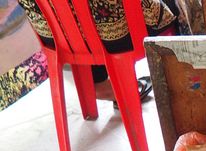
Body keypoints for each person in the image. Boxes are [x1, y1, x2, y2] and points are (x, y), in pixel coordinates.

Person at [17, 0, 180, 103]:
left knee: (78, 16)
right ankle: (185, 85)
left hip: (55, 35)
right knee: (177, 6)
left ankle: (98, 83)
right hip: (117, 37)